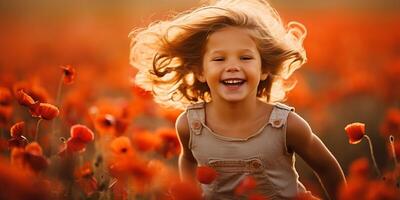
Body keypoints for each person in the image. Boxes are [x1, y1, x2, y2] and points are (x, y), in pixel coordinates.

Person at [129, 0, 346, 199]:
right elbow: (188, 158)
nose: (232, 66)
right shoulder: (190, 125)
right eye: (219, 58)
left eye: (245, 57)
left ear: (264, 69)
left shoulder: (286, 125)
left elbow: (327, 168)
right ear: (200, 71)